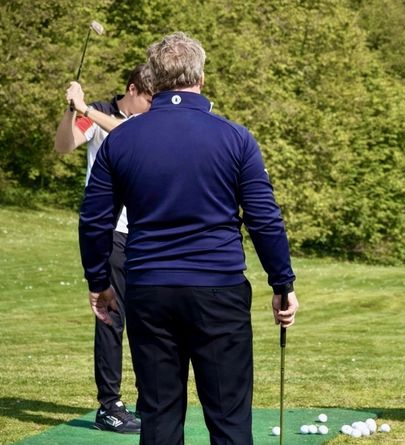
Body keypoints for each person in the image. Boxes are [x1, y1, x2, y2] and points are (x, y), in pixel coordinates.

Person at [78, 32, 299, 445]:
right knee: (229, 420)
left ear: (155, 79)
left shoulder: (122, 139)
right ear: (200, 75)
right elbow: (265, 219)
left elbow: (94, 220)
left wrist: (98, 281)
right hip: (219, 289)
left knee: (159, 418)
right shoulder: (235, 138)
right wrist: (282, 284)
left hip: (150, 290)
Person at [54, 64, 154, 434]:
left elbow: (131, 133)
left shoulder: (124, 119)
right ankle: (109, 405)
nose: (152, 105)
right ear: (132, 89)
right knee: (112, 318)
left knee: (148, 318)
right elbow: (64, 146)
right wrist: (72, 111)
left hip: (144, 233)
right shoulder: (98, 113)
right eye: (148, 97)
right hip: (111, 230)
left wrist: (84, 109)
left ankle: (150, 402)